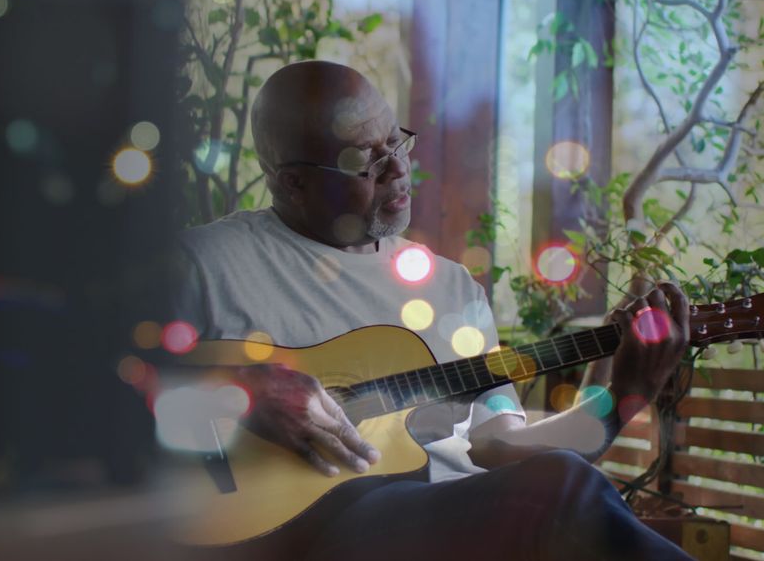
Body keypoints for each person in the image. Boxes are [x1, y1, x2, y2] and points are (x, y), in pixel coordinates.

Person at [171, 60, 692, 560]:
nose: (397, 167)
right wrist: (239, 390)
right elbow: (102, 385)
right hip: (297, 534)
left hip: (456, 523)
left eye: (395, 141)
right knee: (559, 487)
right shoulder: (205, 266)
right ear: (293, 182)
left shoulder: (452, 288)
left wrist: (627, 394)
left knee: (559, 478)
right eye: (364, 160)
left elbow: (503, 447)